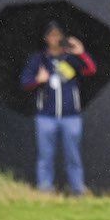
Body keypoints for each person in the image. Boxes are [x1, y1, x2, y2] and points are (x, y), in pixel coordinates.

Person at [20, 21, 97, 195]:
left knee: (73, 155)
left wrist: (81, 53)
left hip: (71, 117)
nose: (56, 38)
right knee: (45, 156)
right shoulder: (39, 59)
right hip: (46, 117)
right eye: (52, 35)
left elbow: (91, 69)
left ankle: (78, 189)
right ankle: (45, 189)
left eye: (59, 34)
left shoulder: (71, 58)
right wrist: (38, 80)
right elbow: (25, 82)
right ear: (46, 38)